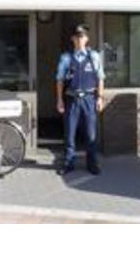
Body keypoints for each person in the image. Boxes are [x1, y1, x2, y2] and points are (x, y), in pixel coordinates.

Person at [55, 24, 105, 176]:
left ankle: (92, 164)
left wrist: (100, 98)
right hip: (71, 99)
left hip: (89, 99)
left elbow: (100, 78)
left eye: (82, 36)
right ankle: (68, 164)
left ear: (87, 39)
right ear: (72, 39)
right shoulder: (66, 58)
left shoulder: (94, 56)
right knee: (69, 134)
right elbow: (59, 80)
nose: (79, 39)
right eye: (76, 37)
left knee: (91, 134)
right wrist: (59, 100)